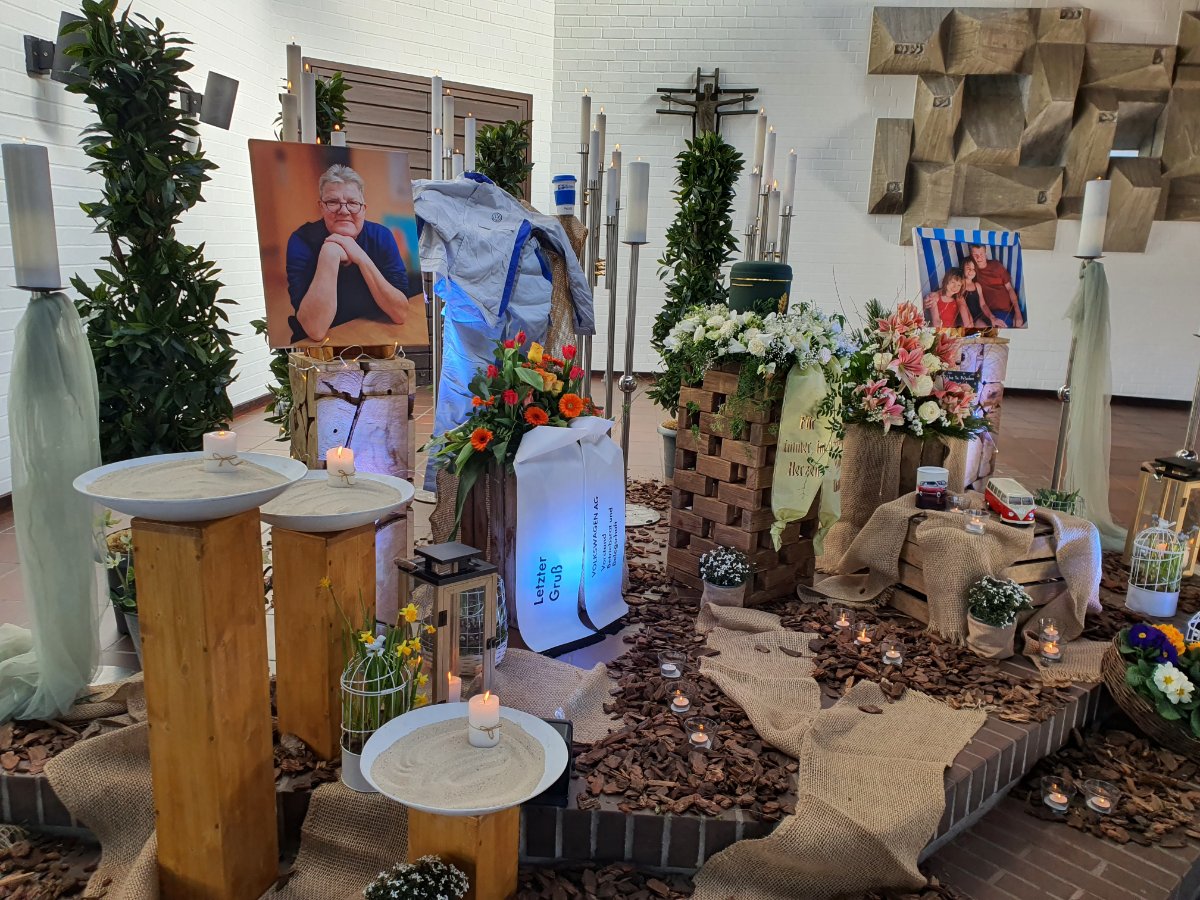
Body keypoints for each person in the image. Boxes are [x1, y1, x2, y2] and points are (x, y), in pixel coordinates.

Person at [286, 164, 411, 343]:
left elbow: (400, 313)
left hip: (373, 335)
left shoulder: (382, 236)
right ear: (321, 207)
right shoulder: (301, 240)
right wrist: (330, 253)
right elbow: (315, 330)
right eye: (333, 202)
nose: (344, 211)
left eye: (352, 203)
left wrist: (360, 256)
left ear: (363, 208)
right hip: (319, 348)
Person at [967, 244, 1024, 328]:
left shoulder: (996, 265)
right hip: (989, 313)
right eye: (975, 255)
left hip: (1007, 312)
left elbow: (1009, 288)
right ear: (971, 256)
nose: (979, 258)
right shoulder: (971, 272)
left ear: (985, 253)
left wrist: (1018, 313)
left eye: (981, 254)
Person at [960, 258, 1001, 329]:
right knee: (984, 327)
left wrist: (991, 317)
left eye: (973, 269)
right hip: (968, 318)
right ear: (962, 269)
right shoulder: (960, 284)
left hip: (980, 315)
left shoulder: (977, 285)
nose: (971, 271)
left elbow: (983, 305)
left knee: (998, 326)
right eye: (968, 268)